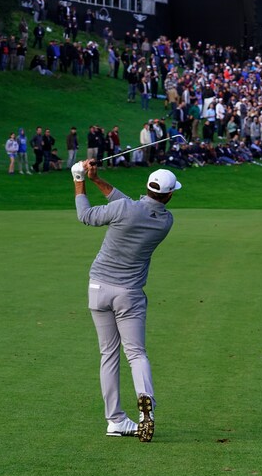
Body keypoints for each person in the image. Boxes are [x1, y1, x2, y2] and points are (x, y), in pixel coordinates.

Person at [73, 159, 181, 442]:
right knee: (136, 354)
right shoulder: (165, 221)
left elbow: (86, 215)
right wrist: (97, 179)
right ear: (169, 195)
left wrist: (79, 180)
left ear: (147, 187)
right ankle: (147, 406)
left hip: (98, 288)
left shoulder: (125, 209)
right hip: (129, 294)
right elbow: (131, 206)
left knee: (108, 355)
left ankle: (115, 420)